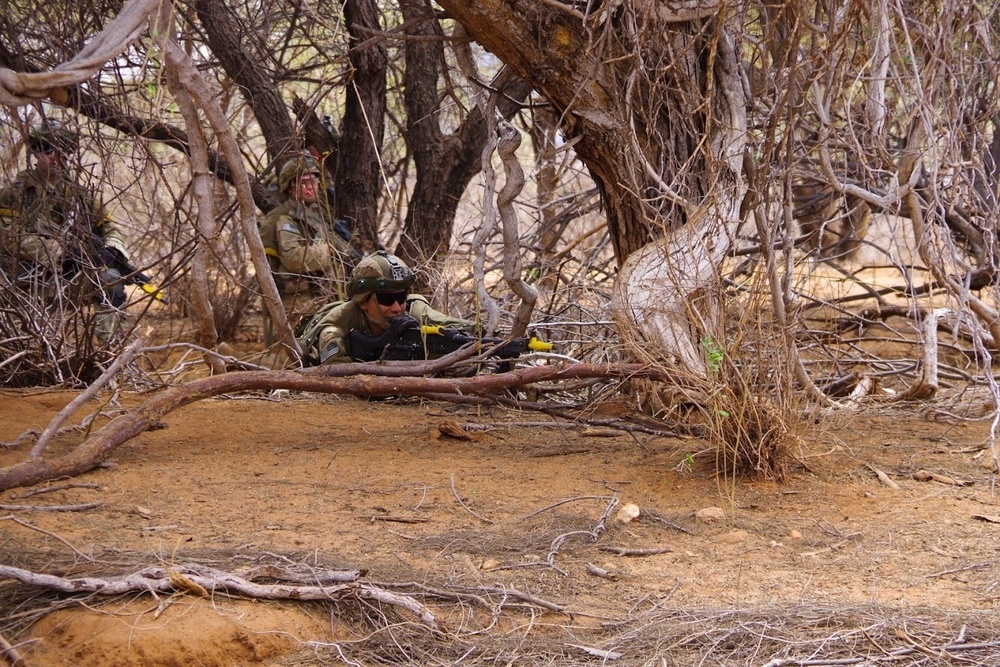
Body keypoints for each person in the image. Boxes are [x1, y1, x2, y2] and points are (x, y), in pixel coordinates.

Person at [0, 121, 132, 341]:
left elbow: (108, 225)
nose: (54, 156)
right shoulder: (15, 194)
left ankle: (110, 355)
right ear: (35, 152)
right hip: (24, 284)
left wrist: (113, 248)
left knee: (110, 279)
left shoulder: (79, 193)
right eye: (47, 149)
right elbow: (9, 238)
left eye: (62, 148)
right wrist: (63, 252)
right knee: (27, 342)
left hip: (68, 280)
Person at [296, 250, 477, 365]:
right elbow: (340, 382)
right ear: (363, 302)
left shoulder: (414, 310)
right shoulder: (337, 329)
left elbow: (456, 327)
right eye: (386, 299)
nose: (397, 307)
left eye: (401, 296)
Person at [259, 152, 355, 343]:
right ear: (289, 187)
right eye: (303, 182)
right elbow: (295, 259)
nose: (310, 186)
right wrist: (326, 251)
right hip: (296, 303)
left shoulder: (312, 216)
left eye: (314, 180)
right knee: (295, 361)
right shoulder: (284, 218)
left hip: (317, 299)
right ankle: (232, 358)